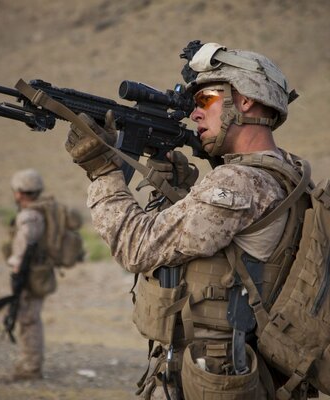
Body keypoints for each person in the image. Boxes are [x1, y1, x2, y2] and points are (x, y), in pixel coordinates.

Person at [65, 42, 310, 399]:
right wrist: (182, 191)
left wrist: (102, 172)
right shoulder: (289, 169)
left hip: (218, 370)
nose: (195, 114)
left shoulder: (237, 181)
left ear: (245, 100)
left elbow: (138, 248)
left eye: (206, 99)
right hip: (244, 364)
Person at [3, 168, 52, 381]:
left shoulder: (29, 217)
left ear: (20, 192)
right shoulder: (39, 212)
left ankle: (31, 367)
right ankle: (29, 362)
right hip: (36, 272)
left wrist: (16, 272)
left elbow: (23, 250)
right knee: (29, 318)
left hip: (29, 274)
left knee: (28, 319)